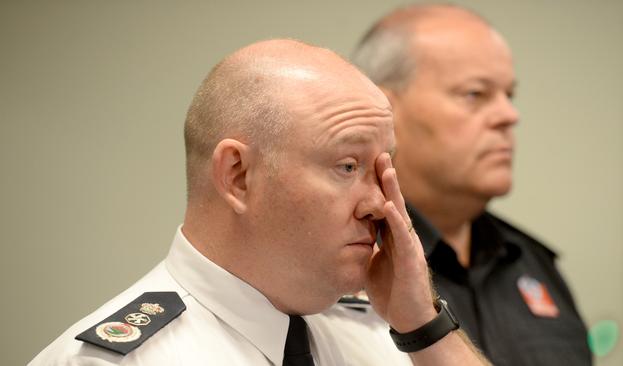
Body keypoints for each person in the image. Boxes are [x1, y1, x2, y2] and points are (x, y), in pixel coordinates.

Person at [29, 39, 488, 365]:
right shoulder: (111, 361)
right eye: (347, 166)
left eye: (385, 169)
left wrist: (423, 326)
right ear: (238, 176)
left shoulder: (391, 340)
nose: (379, 204)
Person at [345, 4, 592, 365]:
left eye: (509, 95)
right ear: (382, 108)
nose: (510, 115)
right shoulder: (346, 262)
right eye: (475, 94)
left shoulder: (534, 266)